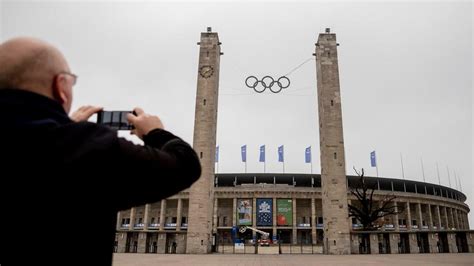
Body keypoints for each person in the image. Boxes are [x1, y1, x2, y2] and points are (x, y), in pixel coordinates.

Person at [0, 37, 201, 265]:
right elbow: (185, 166)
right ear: (60, 86)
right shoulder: (83, 147)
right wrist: (155, 132)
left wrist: (64, 127)